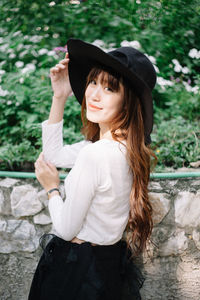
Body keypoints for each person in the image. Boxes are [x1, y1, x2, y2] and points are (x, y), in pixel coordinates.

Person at [28, 38, 157, 300]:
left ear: (127, 101)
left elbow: (65, 229)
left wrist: (52, 188)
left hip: (78, 273)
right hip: (108, 268)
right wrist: (59, 96)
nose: (94, 94)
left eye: (110, 88)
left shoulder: (95, 154)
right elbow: (54, 154)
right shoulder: (124, 149)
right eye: (93, 82)